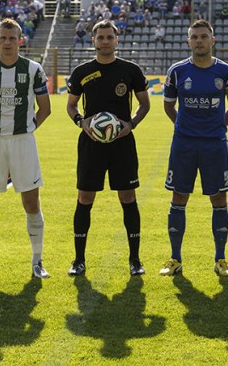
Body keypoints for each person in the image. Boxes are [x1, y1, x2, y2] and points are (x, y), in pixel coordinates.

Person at [0, 18, 51, 280]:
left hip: (23, 143)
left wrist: (25, 129)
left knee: (31, 202)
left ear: (20, 41)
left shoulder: (33, 69)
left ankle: (37, 262)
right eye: (3, 38)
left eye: (12, 38)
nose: (7, 42)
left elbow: (45, 108)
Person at [66, 20, 150, 276]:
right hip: (91, 143)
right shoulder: (82, 71)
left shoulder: (130, 70)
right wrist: (82, 122)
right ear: (93, 41)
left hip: (122, 143)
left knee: (128, 197)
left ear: (117, 39)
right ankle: (78, 260)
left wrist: (130, 124)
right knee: (85, 198)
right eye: (100, 37)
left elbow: (144, 104)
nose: (104, 41)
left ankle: (135, 260)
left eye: (109, 37)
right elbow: (71, 106)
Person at [159, 20, 228, 278]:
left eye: (203, 36)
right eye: (194, 37)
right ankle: (175, 259)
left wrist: (218, 127)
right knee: (179, 197)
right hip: (184, 144)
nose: (199, 41)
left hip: (215, 144)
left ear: (212, 40)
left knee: (219, 198)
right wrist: (186, 127)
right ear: (188, 41)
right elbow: (168, 106)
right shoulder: (177, 71)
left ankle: (220, 259)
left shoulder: (226, 72)